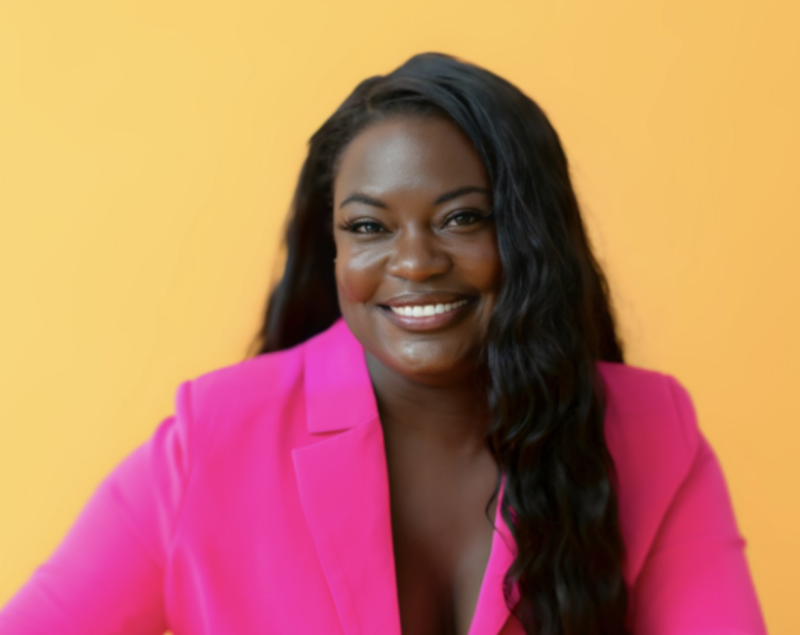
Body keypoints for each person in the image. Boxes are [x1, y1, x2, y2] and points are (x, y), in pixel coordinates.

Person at [0, 53, 766, 635]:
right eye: (368, 227)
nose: (413, 262)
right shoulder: (214, 437)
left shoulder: (652, 430)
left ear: (531, 235)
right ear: (332, 249)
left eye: (463, 218)